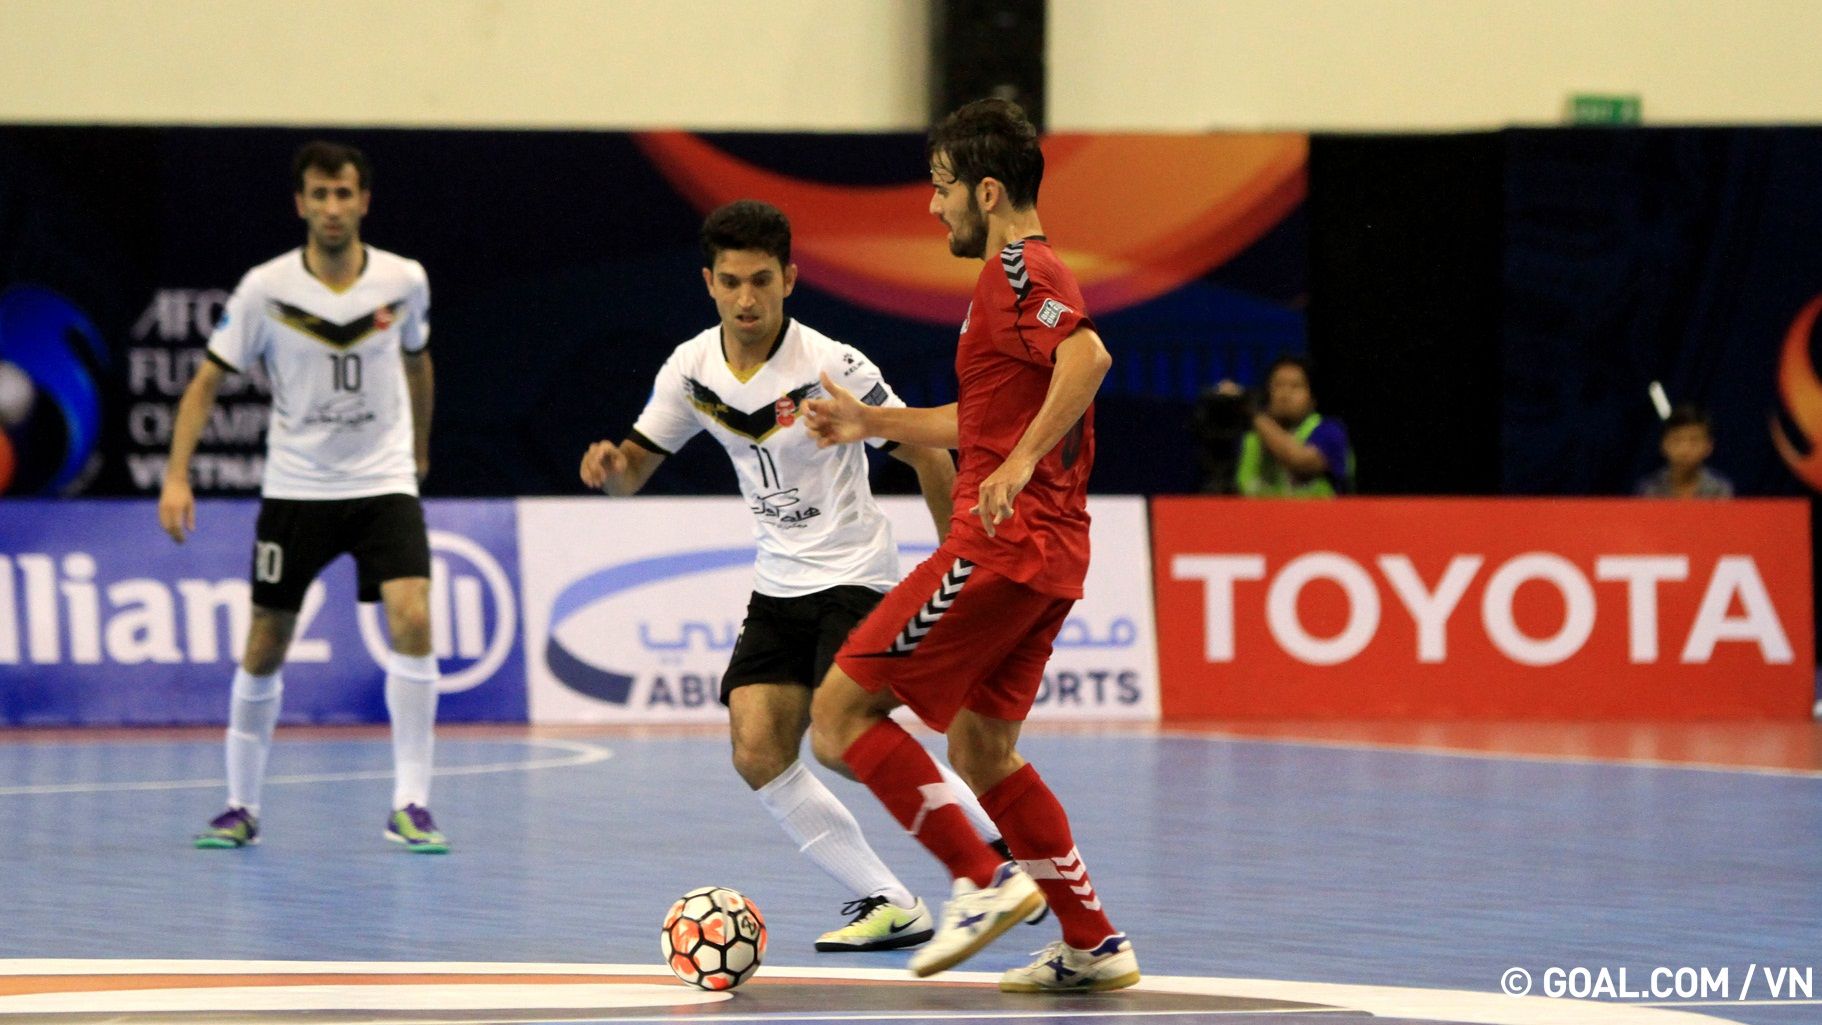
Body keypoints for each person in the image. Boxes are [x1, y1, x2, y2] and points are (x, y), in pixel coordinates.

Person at [578, 199, 1029, 952]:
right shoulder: (690, 369)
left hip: (855, 573)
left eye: (761, 280)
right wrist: (611, 469)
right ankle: (891, 901)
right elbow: (633, 473)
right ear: (709, 283)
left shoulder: (833, 364)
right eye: (731, 282)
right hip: (778, 582)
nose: (746, 299)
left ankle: (996, 852)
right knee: (757, 749)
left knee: (842, 737)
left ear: (789, 278)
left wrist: (958, 557)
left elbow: (927, 452)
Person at [802, 98, 1140, 992]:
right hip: (1048, 559)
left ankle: (981, 878)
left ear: (987, 192)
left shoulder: (1020, 268)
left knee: (837, 717)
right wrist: (871, 422)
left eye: (941, 186)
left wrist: (1020, 463)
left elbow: (1088, 358)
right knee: (983, 750)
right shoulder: (1009, 286)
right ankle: (1093, 942)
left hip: (1001, 546)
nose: (932, 205)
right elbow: (982, 418)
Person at [159, 141, 447, 853]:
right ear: (301, 204)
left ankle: (411, 803)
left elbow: (418, 362)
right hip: (297, 487)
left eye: (344, 193)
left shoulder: (404, 280)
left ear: (363, 201)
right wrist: (176, 475)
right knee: (266, 640)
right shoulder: (265, 289)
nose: (332, 207)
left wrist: (417, 449)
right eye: (319, 194)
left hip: (382, 482)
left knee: (413, 614)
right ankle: (240, 805)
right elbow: (205, 383)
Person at [1220, 355, 1354, 497]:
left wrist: (1253, 413)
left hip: (1315, 512)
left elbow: (1301, 463)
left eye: (1296, 386)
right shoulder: (1248, 438)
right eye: (1278, 385)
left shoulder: (1330, 431)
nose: (1285, 394)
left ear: (1312, 399)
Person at [1636, 404, 1733, 498]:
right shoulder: (1649, 488)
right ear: (1664, 444)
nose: (1685, 449)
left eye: (1694, 440)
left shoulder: (1719, 489)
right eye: (1677, 440)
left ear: (1709, 446)